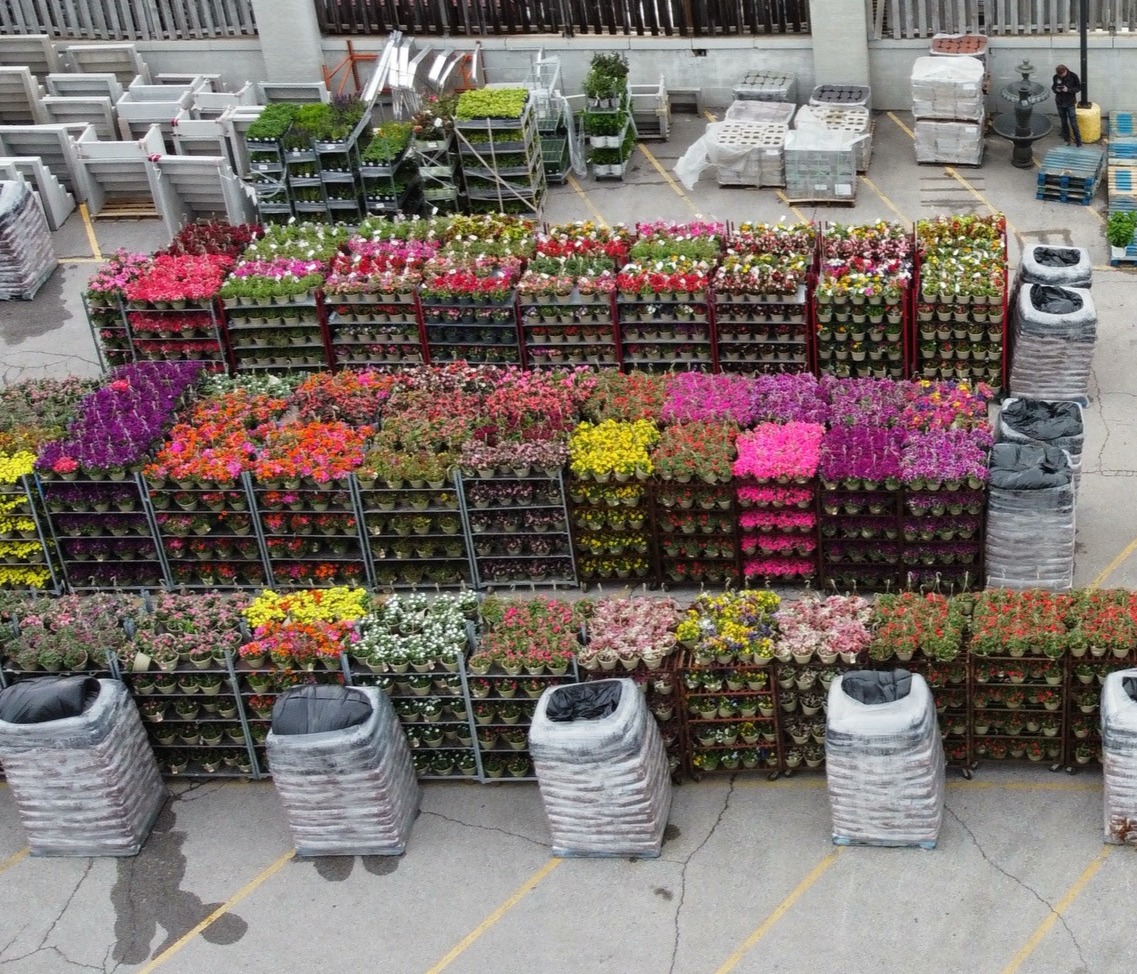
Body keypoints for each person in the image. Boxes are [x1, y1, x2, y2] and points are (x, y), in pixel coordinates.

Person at [1052, 64, 1083, 147]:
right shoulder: (1056, 77)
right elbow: (1053, 87)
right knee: (1063, 122)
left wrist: (1068, 90)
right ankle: (1067, 139)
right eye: (1059, 75)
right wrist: (1056, 89)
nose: (1061, 76)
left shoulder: (1073, 76)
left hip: (1070, 103)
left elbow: (1079, 87)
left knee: (1073, 123)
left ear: (1065, 70)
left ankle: (1078, 141)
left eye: (1062, 74)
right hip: (1060, 102)